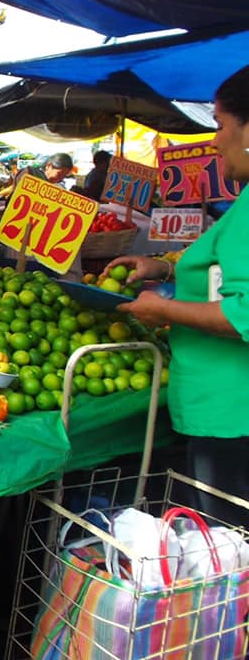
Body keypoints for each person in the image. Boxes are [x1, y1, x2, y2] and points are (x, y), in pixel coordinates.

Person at [102, 65, 249, 527]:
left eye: (221, 125)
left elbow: (244, 312)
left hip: (231, 412)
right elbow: (225, 276)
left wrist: (162, 308)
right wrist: (164, 267)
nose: (214, 140)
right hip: (225, 408)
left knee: (228, 548)